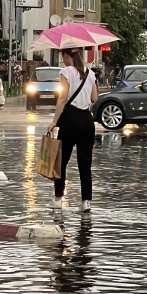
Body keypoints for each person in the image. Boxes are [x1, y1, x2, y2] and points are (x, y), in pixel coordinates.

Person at [47, 48, 98, 213]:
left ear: (66, 56)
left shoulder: (66, 71)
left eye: (64, 57)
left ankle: (57, 199)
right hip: (87, 120)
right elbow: (94, 99)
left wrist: (54, 121)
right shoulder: (90, 73)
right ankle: (85, 202)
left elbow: (62, 98)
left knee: (61, 162)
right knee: (85, 163)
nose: (63, 60)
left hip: (70, 120)